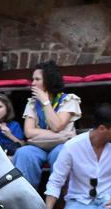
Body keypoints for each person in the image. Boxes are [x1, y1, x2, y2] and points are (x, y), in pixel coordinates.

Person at [12, 61, 82, 190]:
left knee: (61, 153)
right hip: (39, 146)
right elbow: (29, 132)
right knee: (24, 153)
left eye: (37, 79)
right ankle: (28, 200)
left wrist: (45, 101)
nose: (32, 83)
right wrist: (60, 134)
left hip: (60, 145)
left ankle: (59, 201)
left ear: (49, 81)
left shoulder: (68, 100)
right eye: (32, 79)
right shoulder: (32, 103)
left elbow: (56, 125)